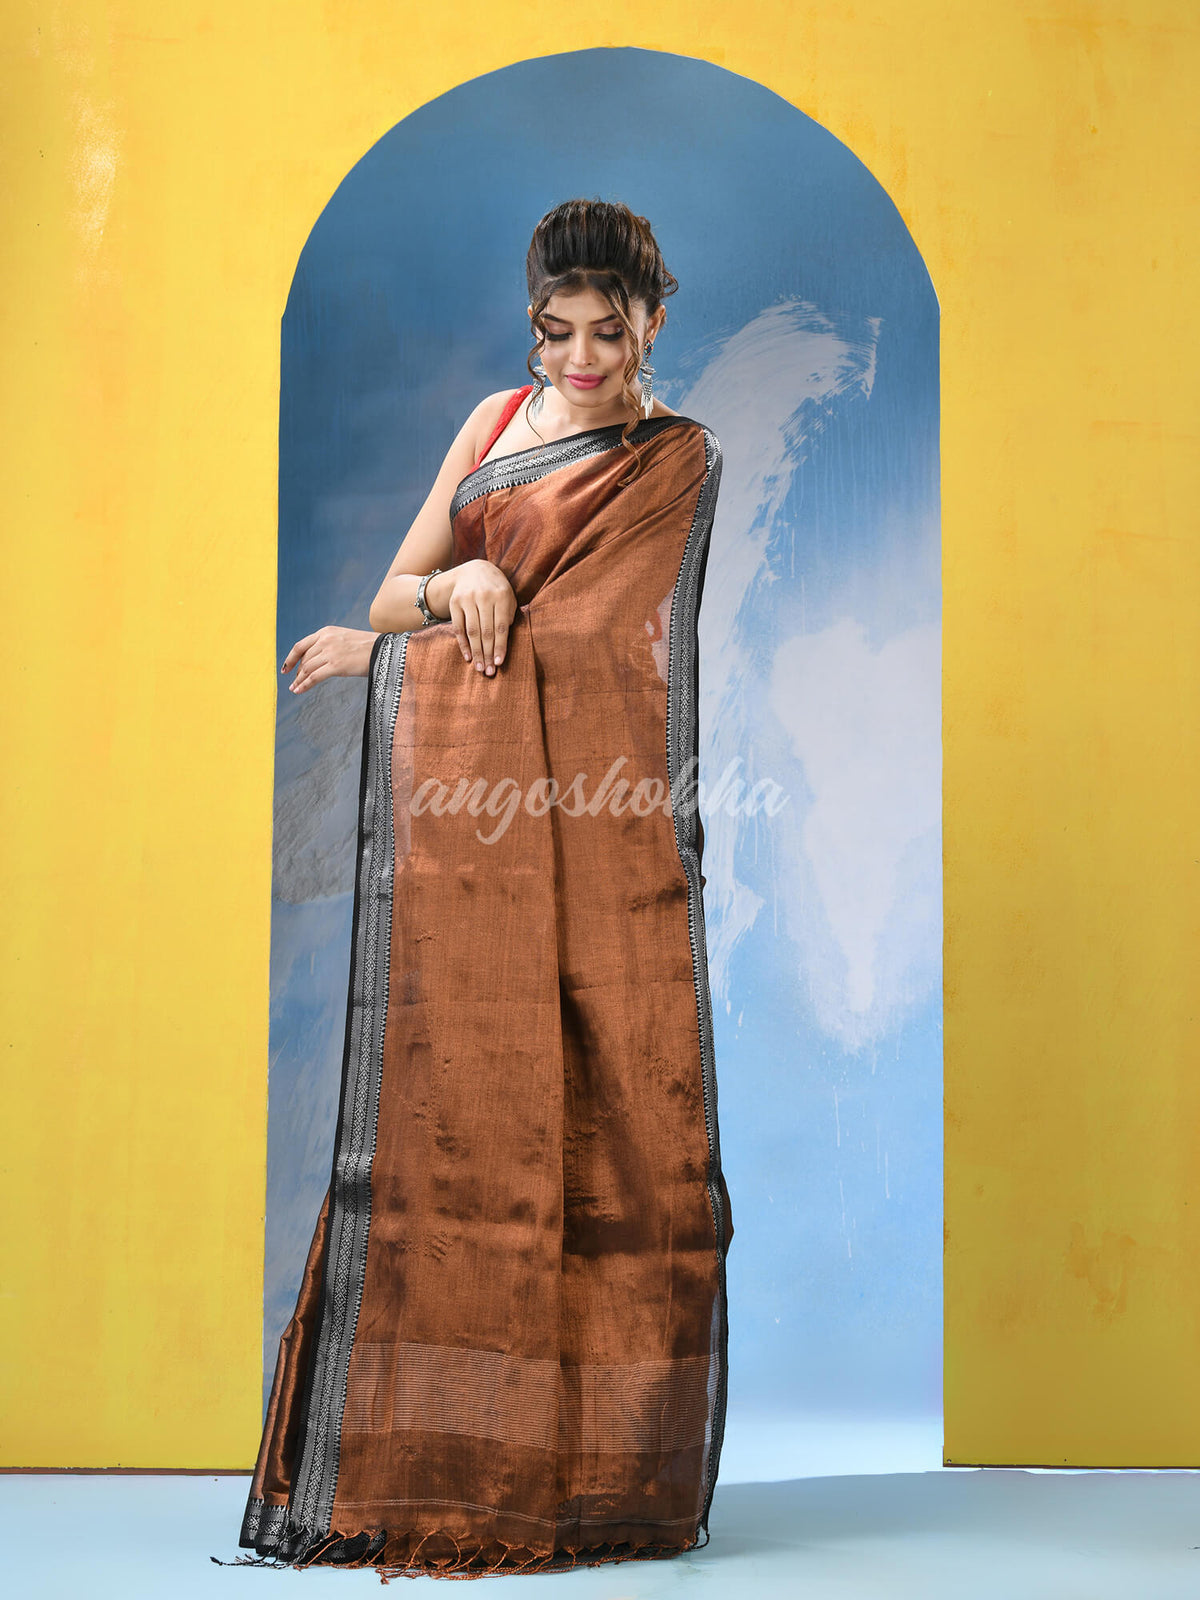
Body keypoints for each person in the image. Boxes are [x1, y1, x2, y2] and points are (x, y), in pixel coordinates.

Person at [237, 198, 734, 1578]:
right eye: (556, 330)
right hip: (457, 845)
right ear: (534, 324)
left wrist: (442, 626)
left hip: (588, 831)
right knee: (450, 1119)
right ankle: (442, 1461)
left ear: (654, 322)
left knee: (604, 1126)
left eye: (609, 333)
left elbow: (597, 644)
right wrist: (460, 581)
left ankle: (593, 1480)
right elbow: (393, 594)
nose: (580, 359)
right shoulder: (493, 421)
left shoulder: (672, 460)